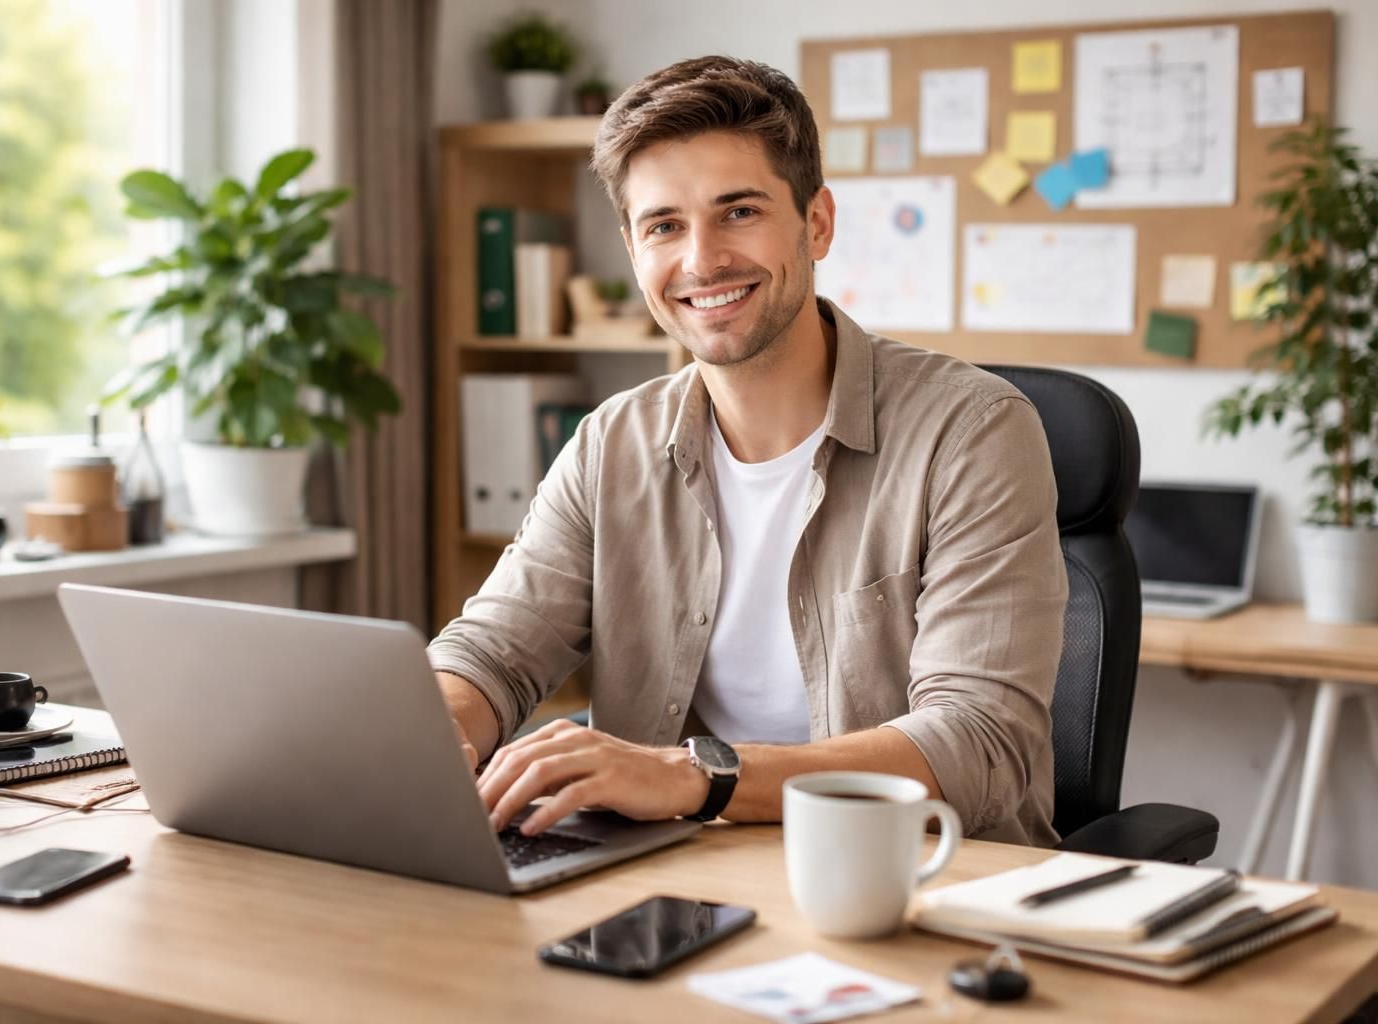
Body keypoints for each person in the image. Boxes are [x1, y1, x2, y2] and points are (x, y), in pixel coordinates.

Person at [428, 56, 1067, 848]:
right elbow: (492, 649)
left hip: (920, 887)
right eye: (664, 225)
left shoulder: (973, 432)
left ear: (817, 223)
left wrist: (696, 776)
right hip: (682, 888)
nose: (702, 261)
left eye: (738, 212)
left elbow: (980, 740)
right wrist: (440, 728)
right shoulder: (610, 444)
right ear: (633, 250)